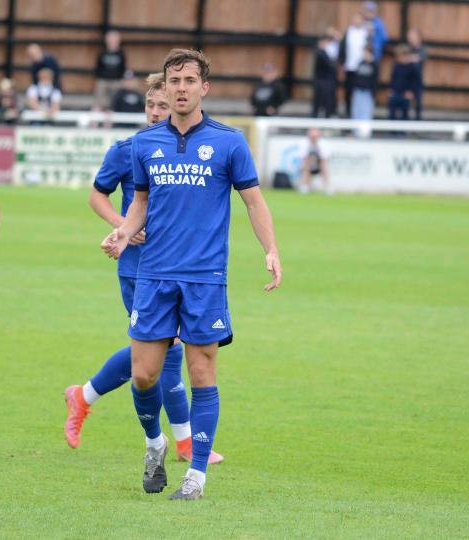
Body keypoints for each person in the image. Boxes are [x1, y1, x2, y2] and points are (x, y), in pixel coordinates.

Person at [101, 49, 281, 500]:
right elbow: (139, 203)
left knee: (202, 371)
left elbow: (253, 202)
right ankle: (155, 443)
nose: (180, 87)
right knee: (144, 375)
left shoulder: (229, 141)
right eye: (173, 80)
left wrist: (271, 250)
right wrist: (122, 233)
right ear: (164, 86)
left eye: (188, 80)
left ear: (205, 87)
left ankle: (196, 476)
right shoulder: (145, 144)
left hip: (204, 277)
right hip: (154, 274)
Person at [65, 72, 225, 465]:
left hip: (181, 266)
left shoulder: (189, 146)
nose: (155, 113)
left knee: (163, 351)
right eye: (151, 106)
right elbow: (96, 196)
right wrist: (120, 228)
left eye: (163, 106)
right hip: (139, 267)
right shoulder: (131, 148)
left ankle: (83, 395)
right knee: (166, 350)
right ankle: (183, 443)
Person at [339, 12, 368, 118]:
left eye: (358, 19)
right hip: (349, 67)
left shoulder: (366, 33)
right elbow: (342, 50)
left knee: (361, 93)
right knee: (348, 92)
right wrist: (341, 64)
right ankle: (348, 114)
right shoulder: (348, 32)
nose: (356, 21)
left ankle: (360, 115)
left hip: (362, 69)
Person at [94, 30, 126, 112]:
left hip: (116, 81)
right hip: (103, 80)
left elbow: (123, 68)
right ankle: (94, 123)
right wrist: (99, 77)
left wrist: (121, 79)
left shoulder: (121, 53)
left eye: (114, 39)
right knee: (99, 103)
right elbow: (98, 66)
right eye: (110, 39)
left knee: (112, 105)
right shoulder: (102, 52)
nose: (112, 41)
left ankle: (108, 124)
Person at [388, 44, 420, 121]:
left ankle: (402, 132)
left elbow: (416, 82)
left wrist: (411, 92)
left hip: (405, 94)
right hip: (396, 93)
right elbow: (393, 79)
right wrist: (391, 90)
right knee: (392, 114)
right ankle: (392, 131)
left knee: (404, 115)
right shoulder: (397, 66)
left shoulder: (412, 68)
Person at [296, 128, 332, 195]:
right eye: (312, 136)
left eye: (315, 136)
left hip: (319, 165)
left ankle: (327, 187)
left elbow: (324, 158)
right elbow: (303, 158)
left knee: (324, 166)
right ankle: (305, 186)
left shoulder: (323, 144)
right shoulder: (304, 143)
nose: (313, 138)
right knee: (305, 166)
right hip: (307, 165)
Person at [312, 34, 338, 118]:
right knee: (319, 102)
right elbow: (330, 65)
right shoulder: (320, 52)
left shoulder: (324, 52)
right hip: (322, 81)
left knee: (327, 102)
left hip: (326, 81)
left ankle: (326, 117)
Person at [349, 46, 377, 121]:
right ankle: (356, 130)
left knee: (366, 112)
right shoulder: (360, 63)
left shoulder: (374, 64)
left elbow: (375, 80)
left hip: (367, 92)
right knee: (356, 111)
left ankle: (364, 131)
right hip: (358, 90)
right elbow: (356, 78)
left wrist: (373, 92)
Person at [407, 28, 426, 119]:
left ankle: (418, 123)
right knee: (406, 101)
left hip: (417, 79)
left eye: (413, 36)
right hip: (407, 78)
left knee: (418, 102)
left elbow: (420, 58)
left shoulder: (422, 49)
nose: (411, 38)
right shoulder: (407, 48)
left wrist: (410, 58)